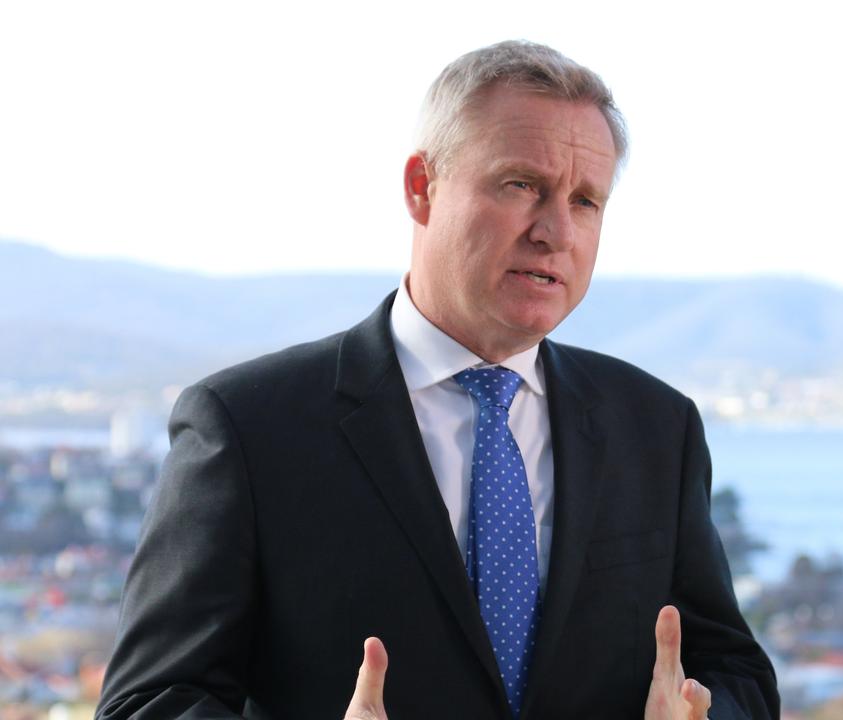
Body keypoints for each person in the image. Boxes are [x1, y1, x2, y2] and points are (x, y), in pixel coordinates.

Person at [95, 40, 779, 720]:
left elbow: (733, 670)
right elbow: (147, 703)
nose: (556, 231)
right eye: (522, 185)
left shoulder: (657, 427)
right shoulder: (247, 426)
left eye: (586, 201)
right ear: (421, 188)